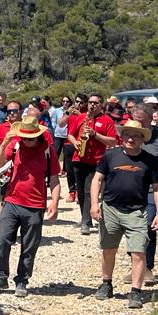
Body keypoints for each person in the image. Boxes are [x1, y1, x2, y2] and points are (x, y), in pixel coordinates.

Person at [90, 120, 158, 309]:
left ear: (142, 139)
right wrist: (94, 205)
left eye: (136, 135)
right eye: (127, 135)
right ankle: (106, 283)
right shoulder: (110, 156)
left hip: (137, 212)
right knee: (108, 249)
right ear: (121, 137)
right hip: (110, 209)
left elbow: (157, 188)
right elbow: (97, 179)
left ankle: (136, 292)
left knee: (138, 251)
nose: (131, 139)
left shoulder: (149, 159)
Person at [0, 115, 61, 297]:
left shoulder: (47, 150)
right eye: (25, 137)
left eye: (31, 138)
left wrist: (54, 203)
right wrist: (5, 142)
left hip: (35, 205)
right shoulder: (16, 144)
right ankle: (0, 277)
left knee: (29, 246)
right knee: (3, 239)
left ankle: (22, 280)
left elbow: (54, 179)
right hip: (11, 201)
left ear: (38, 135)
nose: (27, 141)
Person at [130, 104, 158, 286]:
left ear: (151, 119)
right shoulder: (129, 136)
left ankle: (147, 267)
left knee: (148, 225)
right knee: (130, 226)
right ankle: (135, 265)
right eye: (135, 119)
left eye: (141, 120)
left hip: (153, 189)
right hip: (133, 187)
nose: (137, 123)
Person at [67, 93, 118, 235]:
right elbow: (70, 134)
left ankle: (85, 222)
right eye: (90, 102)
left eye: (95, 103)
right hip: (79, 158)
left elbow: (113, 141)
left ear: (101, 105)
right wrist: (75, 142)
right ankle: (86, 218)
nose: (92, 105)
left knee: (90, 191)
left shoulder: (107, 120)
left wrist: (96, 135)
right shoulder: (81, 118)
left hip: (96, 161)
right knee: (81, 192)